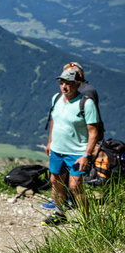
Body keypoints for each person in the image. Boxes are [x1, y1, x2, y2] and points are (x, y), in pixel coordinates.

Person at [43, 65, 100, 226]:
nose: (64, 86)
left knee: (75, 186)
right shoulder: (56, 99)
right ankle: (60, 213)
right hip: (57, 149)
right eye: (61, 82)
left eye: (69, 83)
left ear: (78, 84)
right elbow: (55, 120)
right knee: (55, 181)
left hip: (77, 152)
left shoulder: (86, 104)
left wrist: (86, 155)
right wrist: (50, 142)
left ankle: (87, 221)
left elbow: (93, 132)